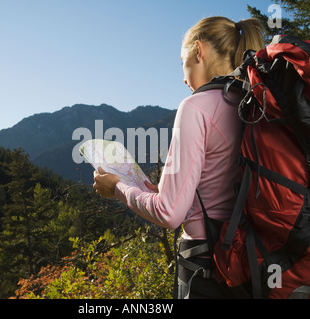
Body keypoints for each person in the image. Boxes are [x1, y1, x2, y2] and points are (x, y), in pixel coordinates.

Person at [93, 16, 265, 299]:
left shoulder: (197, 107)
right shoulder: (253, 101)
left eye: (182, 61)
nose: (183, 78)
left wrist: (118, 188)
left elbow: (169, 213)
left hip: (207, 265)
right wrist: (150, 190)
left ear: (199, 51)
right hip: (251, 258)